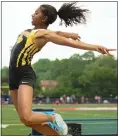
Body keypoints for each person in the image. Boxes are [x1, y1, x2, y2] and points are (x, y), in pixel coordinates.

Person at [8, 2, 116, 136]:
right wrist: (68, 33)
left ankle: (53, 117)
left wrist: (95, 47)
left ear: (44, 19)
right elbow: (56, 32)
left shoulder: (43, 35)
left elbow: (69, 43)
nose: (32, 14)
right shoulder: (34, 32)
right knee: (26, 120)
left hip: (24, 74)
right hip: (12, 75)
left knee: (28, 116)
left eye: (36, 13)